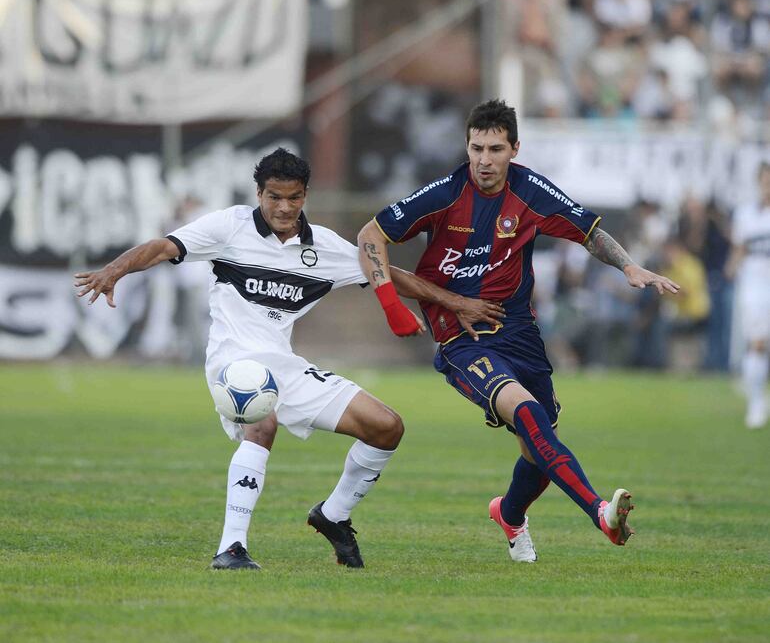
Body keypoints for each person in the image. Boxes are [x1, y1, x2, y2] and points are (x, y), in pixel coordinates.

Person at [75, 147, 502, 570]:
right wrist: (114, 271)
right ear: (258, 193)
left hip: (284, 365)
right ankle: (231, 547)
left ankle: (333, 515)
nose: (283, 207)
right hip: (234, 362)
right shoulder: (230, 226)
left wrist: (457, 303)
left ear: (305, 195)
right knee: (262, 421)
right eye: (274, 197)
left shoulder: (324, 248)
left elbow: (387, 275)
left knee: (386, 427)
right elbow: (162, 247)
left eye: (293, 197)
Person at [357, 99, 680, 562]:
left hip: (519, 331)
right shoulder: (444, 194)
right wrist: (395, 306)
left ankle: (509, 514)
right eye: (476, 149)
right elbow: (370, 236)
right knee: (528, 414)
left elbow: (589, 232)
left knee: (539, 446)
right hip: (462, 337)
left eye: (495, 149)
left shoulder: (530, 191)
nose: (484, 160)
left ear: (514, 150)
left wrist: (628, 266)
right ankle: (600, 512)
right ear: (467, 147)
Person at [727, 161, 770, 429]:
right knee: (757, 342)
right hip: (755, 285)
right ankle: (756, 402)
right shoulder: (746, 214)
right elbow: (740, 248)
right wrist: (731, 267)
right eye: (765, 181)